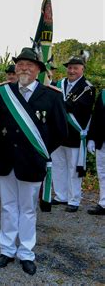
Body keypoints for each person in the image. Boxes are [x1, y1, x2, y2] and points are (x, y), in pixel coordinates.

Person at [0, 47, 67, 275]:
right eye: (20, 65)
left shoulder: (51, 95)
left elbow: (60, 132)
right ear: (16, 68)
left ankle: (26, 252)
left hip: (32, 162)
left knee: (27, 209)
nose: (24, 68)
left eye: (29, 65)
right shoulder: (3, 92)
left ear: (38, 70)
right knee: (7, 207)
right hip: (6, 160)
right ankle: (6, 249)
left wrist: (40, 151)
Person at [51, 55, 95, 212]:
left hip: (75, 134)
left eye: (75, 68)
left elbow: (80, 108)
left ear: (82, 69)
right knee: (58, 166)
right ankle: (60, 196)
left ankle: (74, 200)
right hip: (58, 134)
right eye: (70, 67)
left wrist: (61, 105)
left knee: (74, 169)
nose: (72, 70)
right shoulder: (59, 84)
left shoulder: (87, 88)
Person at [86, 89, 105, 215]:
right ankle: (103, 203)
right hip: (102, 140)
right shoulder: (103, 94)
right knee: (102, 172)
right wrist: (91, 138)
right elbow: (96, 117)